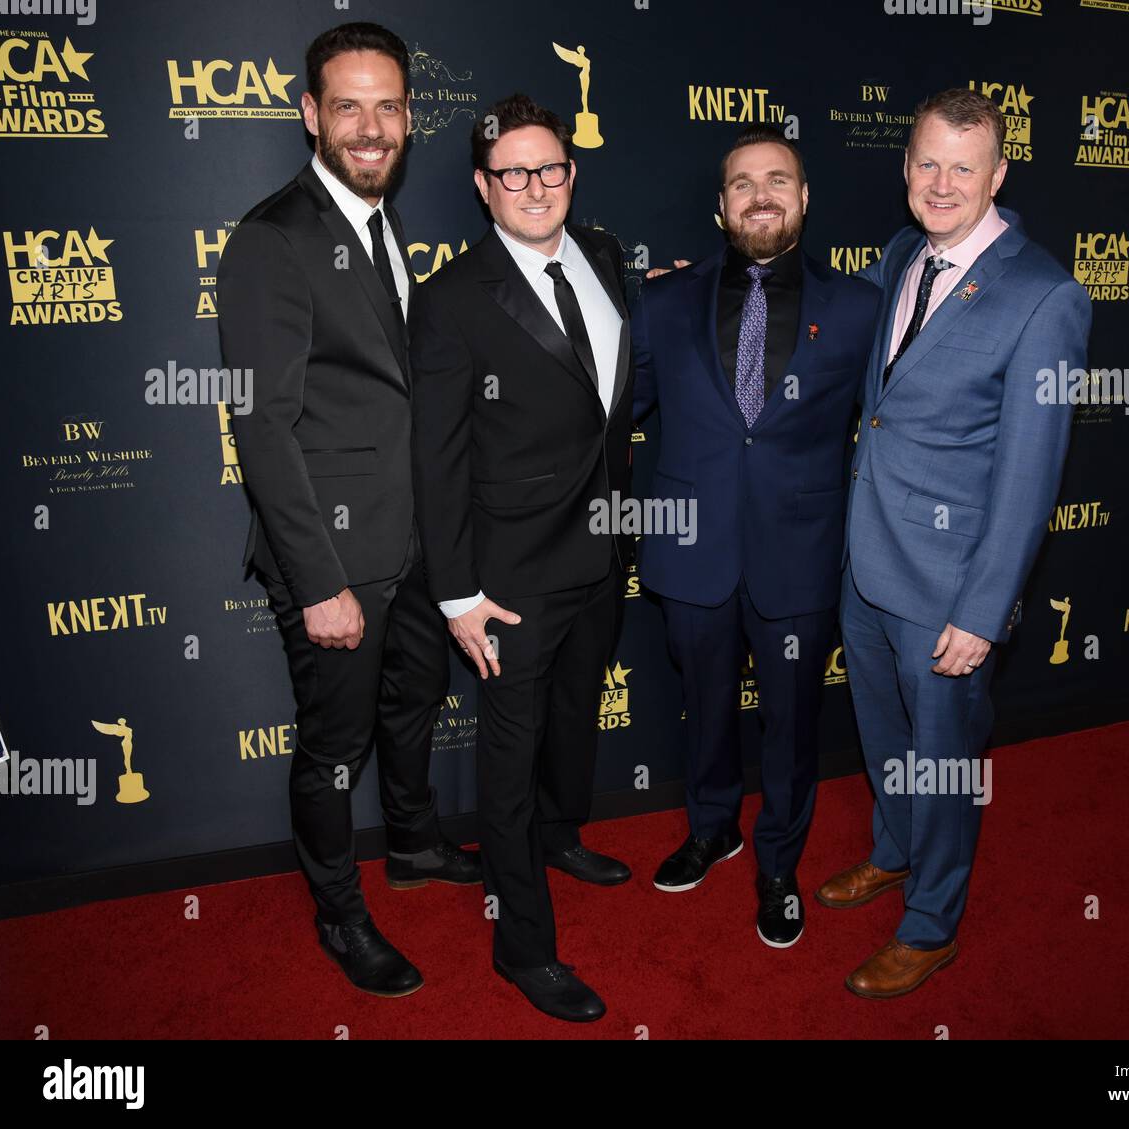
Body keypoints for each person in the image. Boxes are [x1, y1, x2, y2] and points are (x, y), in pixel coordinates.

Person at [217, 22, 480, 1000]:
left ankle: (410, 844)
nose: (370, 128)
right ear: (309, 116)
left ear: (408, 118)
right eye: (347, 106)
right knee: (335, 747)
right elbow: (262, 426)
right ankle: (339, 912)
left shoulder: (376, 222)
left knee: (414, 703)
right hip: (330, 554)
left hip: (407, 541)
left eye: (388, 107)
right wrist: (321, 581)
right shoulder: (272, 240)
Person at [822, 88, 1092, 998]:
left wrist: (982, 610)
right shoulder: (904, 252)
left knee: (941, 761)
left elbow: (1029, 476)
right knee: (882, 734)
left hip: (947, 586)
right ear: (906, 169)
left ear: (999, 175)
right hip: (866, 564)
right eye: (927, 163)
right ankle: (895, 852)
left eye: (963, 168)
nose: (942, 183)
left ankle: (933, 923)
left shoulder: (1045, 295)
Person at [409, 93, 634, 1023]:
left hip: (604, 553)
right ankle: (523, 947)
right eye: (513, 173)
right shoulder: (454, 297)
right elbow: (438, 458)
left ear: (571, 175)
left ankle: (560, 834)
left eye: (549, 168)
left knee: (573, 721)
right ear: (482, 186)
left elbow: (610, 401)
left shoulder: (610, 257)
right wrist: (458, 596)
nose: (534, 186)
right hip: (508, 581)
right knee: (507, 760)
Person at [631, 126, 878, 949]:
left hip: (798, 556)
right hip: (693, 550)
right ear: (720, 206)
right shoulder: (664, 301)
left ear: (804, 199)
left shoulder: (859, 308)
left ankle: (778, 860)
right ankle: (712, 827)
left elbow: (893, 426)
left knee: (791, 722)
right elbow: (608, 412)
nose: (761, 194)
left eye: (778, 179)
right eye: (743, 182)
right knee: (703, 707)